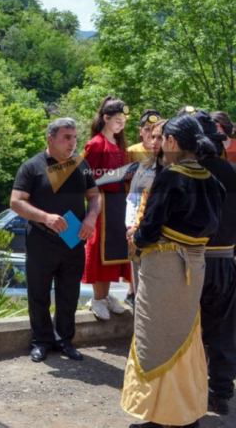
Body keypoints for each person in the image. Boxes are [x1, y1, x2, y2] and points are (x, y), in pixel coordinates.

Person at [123, 115, 225, 428]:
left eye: (163, 139)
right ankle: (187, 411)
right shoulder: (212, 179)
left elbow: (150, 228)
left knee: (157, 337)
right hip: (194, 265)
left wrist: (136, 239)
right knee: (186, 334)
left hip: (164, 267)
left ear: (172, 142)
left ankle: (162, 414)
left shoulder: (171, 177)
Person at [10, 118, 101, 362]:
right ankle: (41, 341)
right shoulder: (31, 166)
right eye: (66, 138)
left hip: (73, 240)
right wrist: (45, 217)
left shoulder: (81, 164)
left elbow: (95, 197)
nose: (72, 143)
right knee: (38, 293)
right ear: (50, 139)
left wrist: (91, 218)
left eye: (74, 137)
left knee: (69, 293)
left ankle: (65, 341)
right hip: (41, 238)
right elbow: (16, 202)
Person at [190, 110, 236, 416]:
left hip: (193, 261)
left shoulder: (188, 173)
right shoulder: (233, 173)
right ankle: (221, 392)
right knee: (222, 331)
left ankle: (188, 394)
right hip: (226, 262)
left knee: (187, 333)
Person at [82, 96, 133, 321]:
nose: (121, 124)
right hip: (102, 203)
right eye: (117, 120)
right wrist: (117, 177)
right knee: (99, 252)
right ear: (105, 118)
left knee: (113, 252)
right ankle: (97, 298)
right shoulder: (96, 144)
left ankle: (107, 295)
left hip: (118, 204)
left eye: (123, 120)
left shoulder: (119, 145)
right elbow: (86, 177)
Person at [124, 118, 165, 306]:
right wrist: (131, 225)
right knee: (140, 296)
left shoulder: (176, 170)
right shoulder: (144, 166)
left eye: (160, 137)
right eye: (152, 136)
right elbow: (132, 198)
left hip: (163, 242)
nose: (154, 142)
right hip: (137, 236)